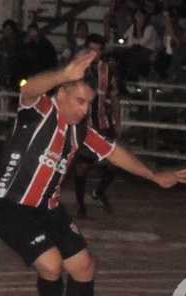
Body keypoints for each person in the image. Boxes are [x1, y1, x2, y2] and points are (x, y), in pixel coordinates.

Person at [0, 50, 186, 296]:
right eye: (79, 101)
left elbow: (114, 152)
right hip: (10, 206)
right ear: (61, 93)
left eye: (89, 104)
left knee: (84, 266)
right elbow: (28, 88)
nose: (84, 110)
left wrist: (153, 175)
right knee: (51, 265)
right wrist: (63, 73)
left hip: (48, 208)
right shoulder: (40, 110)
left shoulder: (80, 131)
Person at [73, 35, 120, 218]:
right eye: (91, 49)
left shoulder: (108, 70)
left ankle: (99, 191)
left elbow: (114, 97)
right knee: (81, 167)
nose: (94, 53)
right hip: (83, 125)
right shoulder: (77, 69)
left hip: (103, 123)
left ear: (102, 51)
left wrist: (117, 122)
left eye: (97, 50)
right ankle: (81, 207)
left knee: (114, 163)